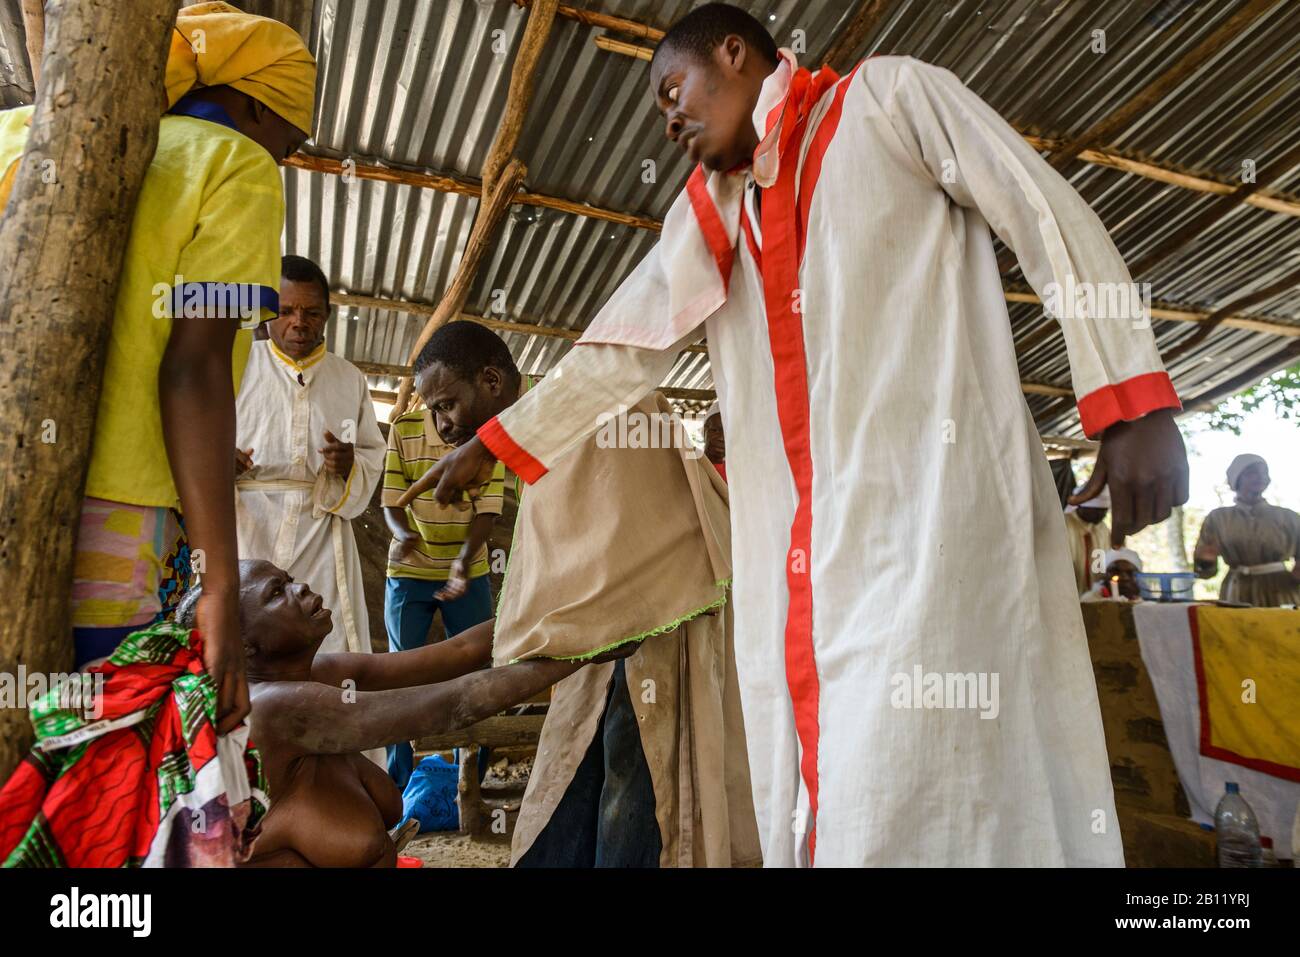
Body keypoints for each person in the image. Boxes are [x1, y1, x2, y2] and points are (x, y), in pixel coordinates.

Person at [408, 5, 1192, 866]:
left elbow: (1038, 206)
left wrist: (1131, 400)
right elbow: (617, 351)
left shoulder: (889, 100)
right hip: (799, 574)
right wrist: (493, 440)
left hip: (934, 530)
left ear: (735, 53)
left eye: (674, 91)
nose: (668, 122)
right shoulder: (711, 215)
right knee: (829, 796)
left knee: (946, 782)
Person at [0, 2, 316, 733]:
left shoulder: (19, 133)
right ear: (250, 104)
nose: (284, 163)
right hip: (117, 511)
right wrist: (217, 589)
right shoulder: (234, 165)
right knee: (90, 751)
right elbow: (195, 366)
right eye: (289, 144)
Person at [401, 321, 760, 868]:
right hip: (598, 648)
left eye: (447, 404)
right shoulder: (547, 441)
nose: (442, 425)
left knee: (637, 776)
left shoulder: (598, 403)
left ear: (493, 379)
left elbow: (635, 549)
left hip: (659, 632)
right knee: (577, 763)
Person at [175, 560, 619, 867]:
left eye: (288, 578)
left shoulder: (323, 675)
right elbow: (451, 704)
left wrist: (570, 603)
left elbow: (461, 650)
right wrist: (592, 644)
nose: (301, 588)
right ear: (242, 646)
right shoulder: (273, 709)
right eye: (277, 593)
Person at [234, 255, 385, 655]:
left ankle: (326, 712)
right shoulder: (237, 365)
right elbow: (200, 438)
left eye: (311, 312)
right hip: (249, 528)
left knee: (326, 641)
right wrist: (220, 463)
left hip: (320, 533)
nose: (298, 322)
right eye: (285, 311)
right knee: (245, 635)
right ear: (267, 314)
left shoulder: (348, 378)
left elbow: (373, 450)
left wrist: (350, 465)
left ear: (327, 316)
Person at [381, 397, 505, 788]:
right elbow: (392, 502)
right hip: (409, 571)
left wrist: (462, 563)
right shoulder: (404, 430)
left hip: (469, 570)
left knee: (480, 671)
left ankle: (470, 780)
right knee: (399, 672)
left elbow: (487, 513)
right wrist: (404, 537)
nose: (451, 421)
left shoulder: (490, 435)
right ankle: (398, 781)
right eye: (443, 407)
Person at [1194, 454, 1300, 607]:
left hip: (1281, 592)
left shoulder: (1289, 518)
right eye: (1251, 473)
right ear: (1236, 479)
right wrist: (1205, 562)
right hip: (1237, 592)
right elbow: (1204, 572)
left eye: (1264, 472)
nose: (1260, 477)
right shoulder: (1218, 519)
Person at [1064, 485, 1113, 595]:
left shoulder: (1102, 529)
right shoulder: (1063, 524)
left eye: (1105, 512)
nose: (1102, 516)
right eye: (1097, 511)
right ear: (1082, 507)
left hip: (1096, 596)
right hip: (1068, 593)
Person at [702, 401, 727, 480]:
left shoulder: (736, 472)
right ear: (704, 430)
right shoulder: (691, 466)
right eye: (715, 430)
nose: (721, 438)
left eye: (727, 433)